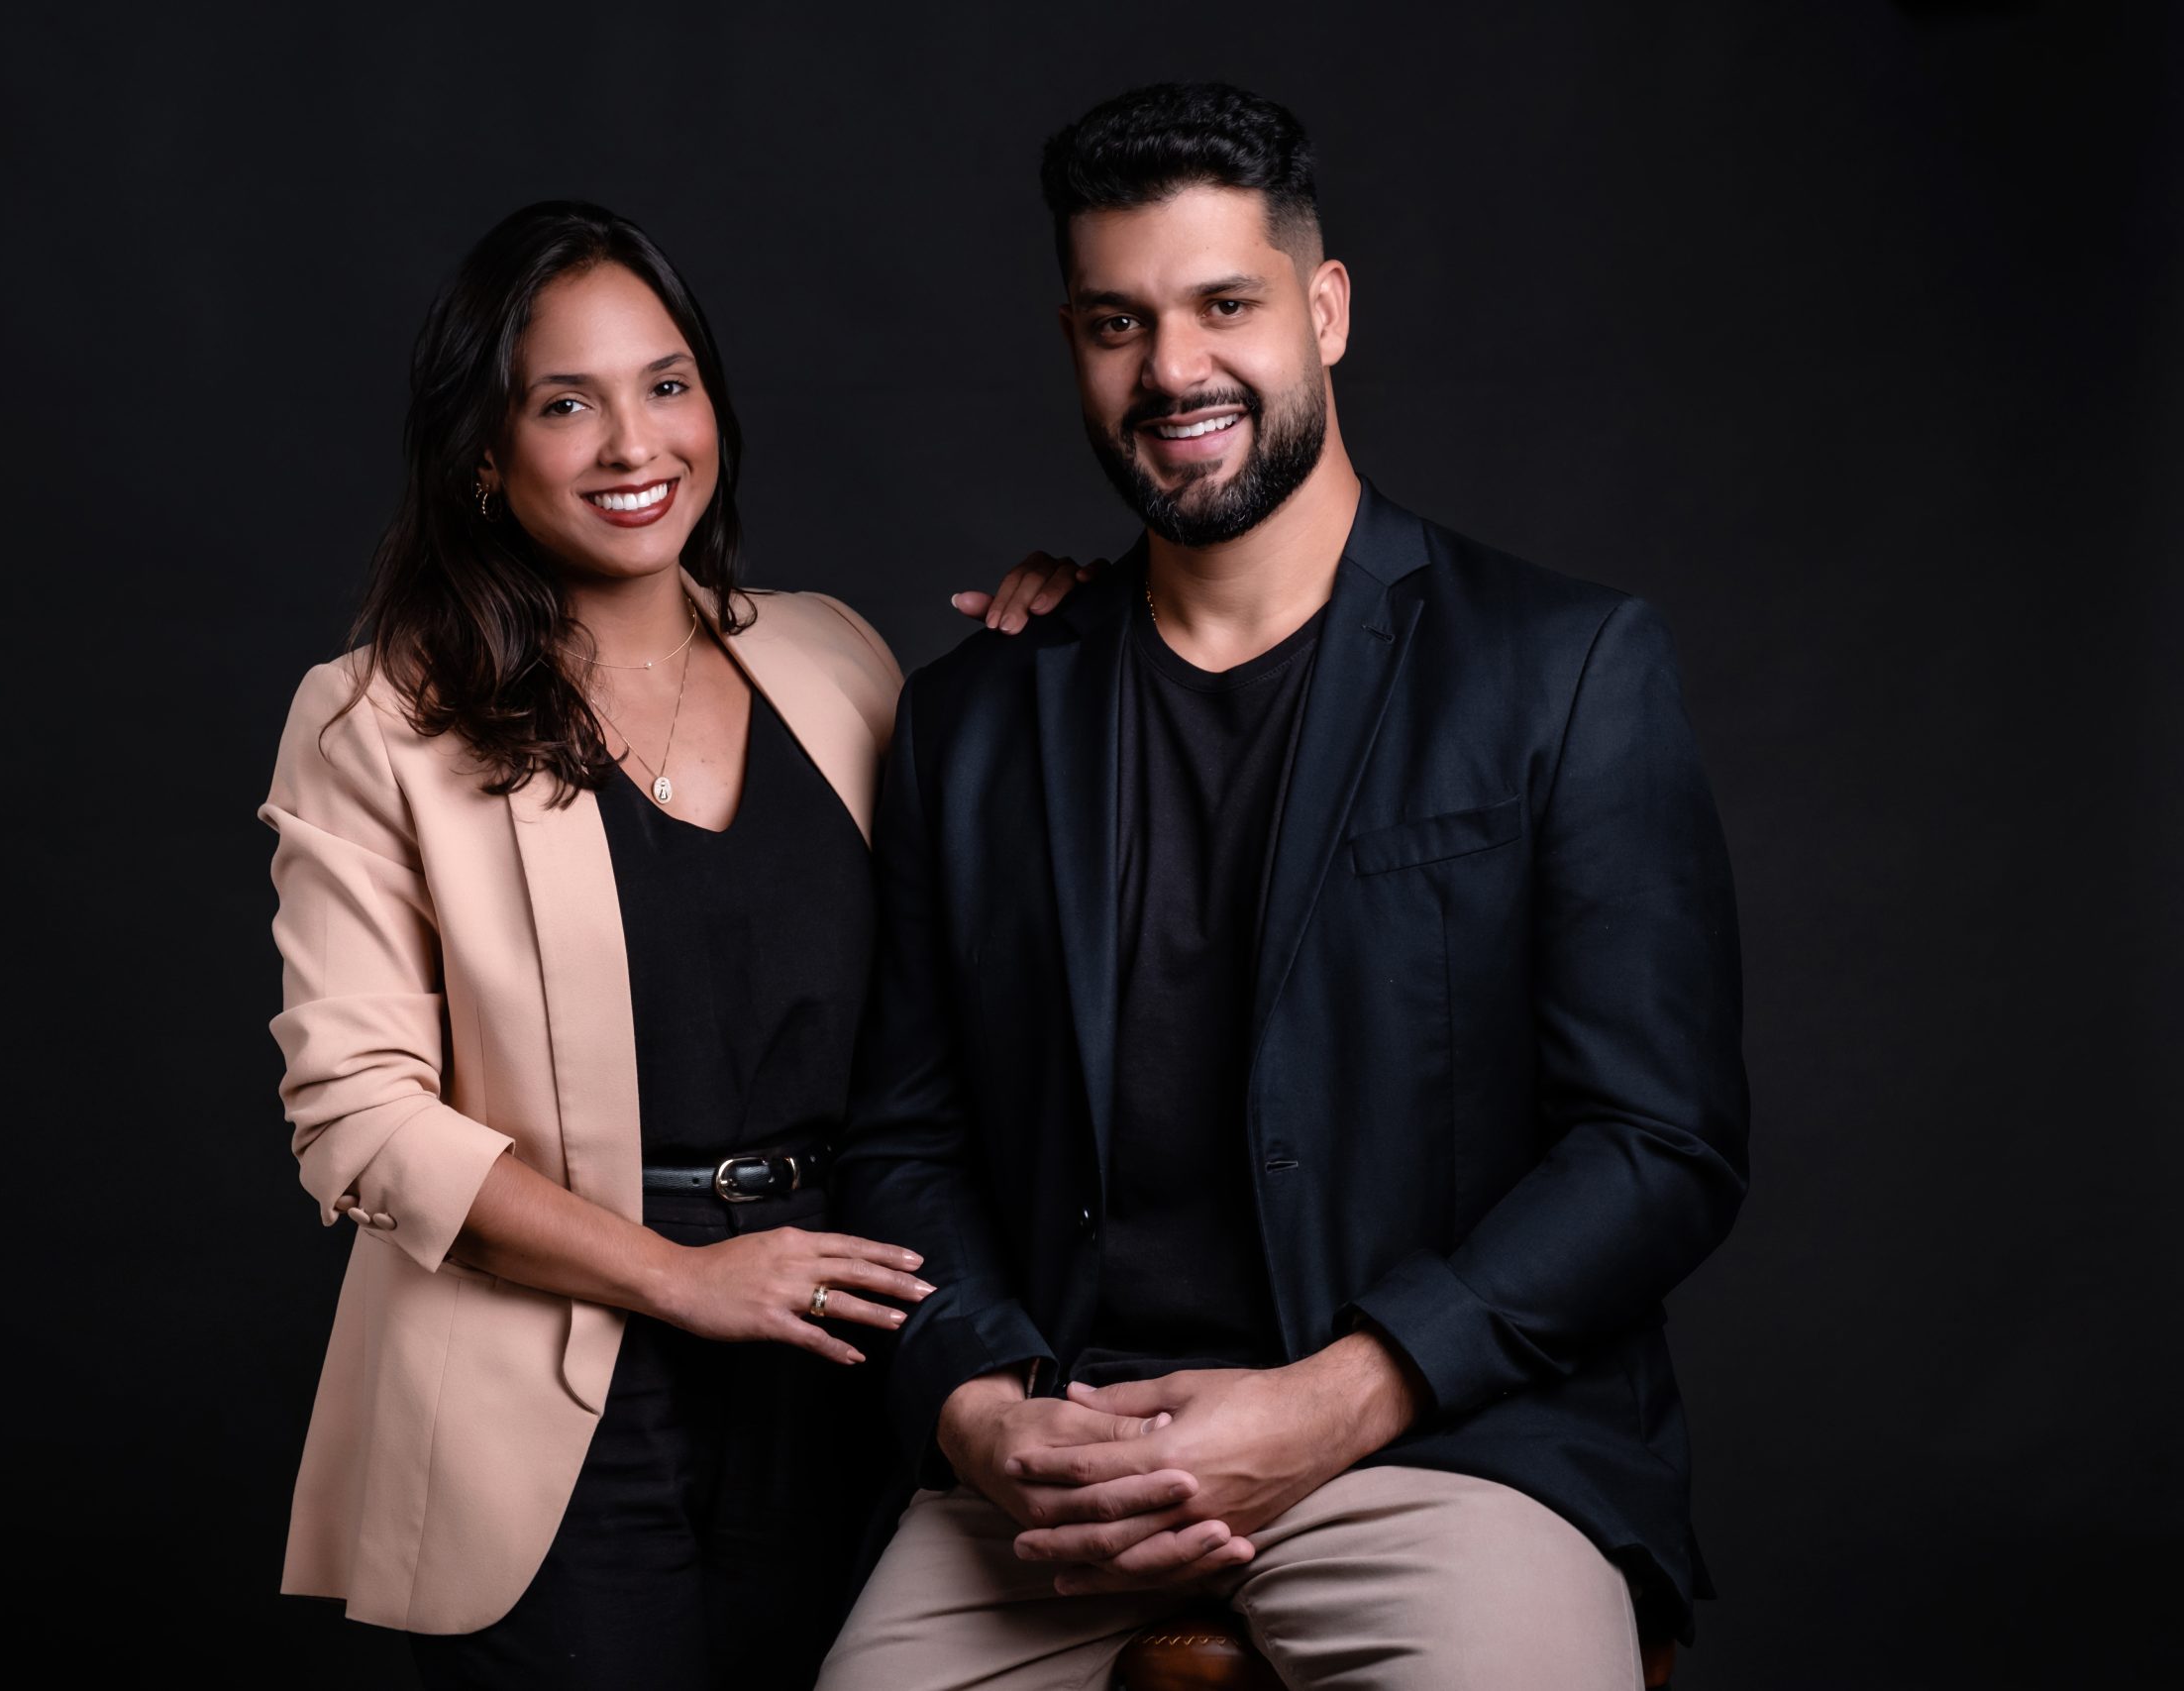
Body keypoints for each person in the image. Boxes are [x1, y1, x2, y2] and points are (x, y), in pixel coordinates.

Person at [819, 82, 1750, 1691]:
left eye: (1224, 305)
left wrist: (1346, 1393)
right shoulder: (974, 719)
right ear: (1073, 343)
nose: (1172, 368)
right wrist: (977, 1409)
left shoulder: (1560, 666)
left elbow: (1660, 1144)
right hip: (1064, 1456)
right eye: (1118, 322)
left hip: (1446, 1444)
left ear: (1324, 311)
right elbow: (906, 1142)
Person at [255, 200, 1084, 1690]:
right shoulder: (377, 720)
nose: (635, 444)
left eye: (667, 383)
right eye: (566, 403)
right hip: (554, 1381)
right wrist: (680, 1278)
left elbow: (988, 955)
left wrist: (1089, 634)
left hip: (845, 1335)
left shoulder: (833, 655)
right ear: (485, 454)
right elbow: (359, 1119)